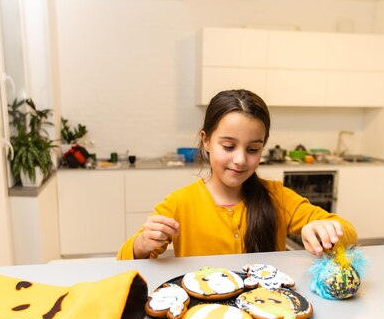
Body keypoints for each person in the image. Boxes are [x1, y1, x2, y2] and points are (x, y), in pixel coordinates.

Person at [117, 89, 357, 260]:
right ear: (207, 140)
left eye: (253, 149)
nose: (241, 159)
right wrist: (143, 243)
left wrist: (324, 231)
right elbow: (124, 258)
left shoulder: (277, 197)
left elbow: (349, 232)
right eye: (229, 147)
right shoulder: (179, 204)